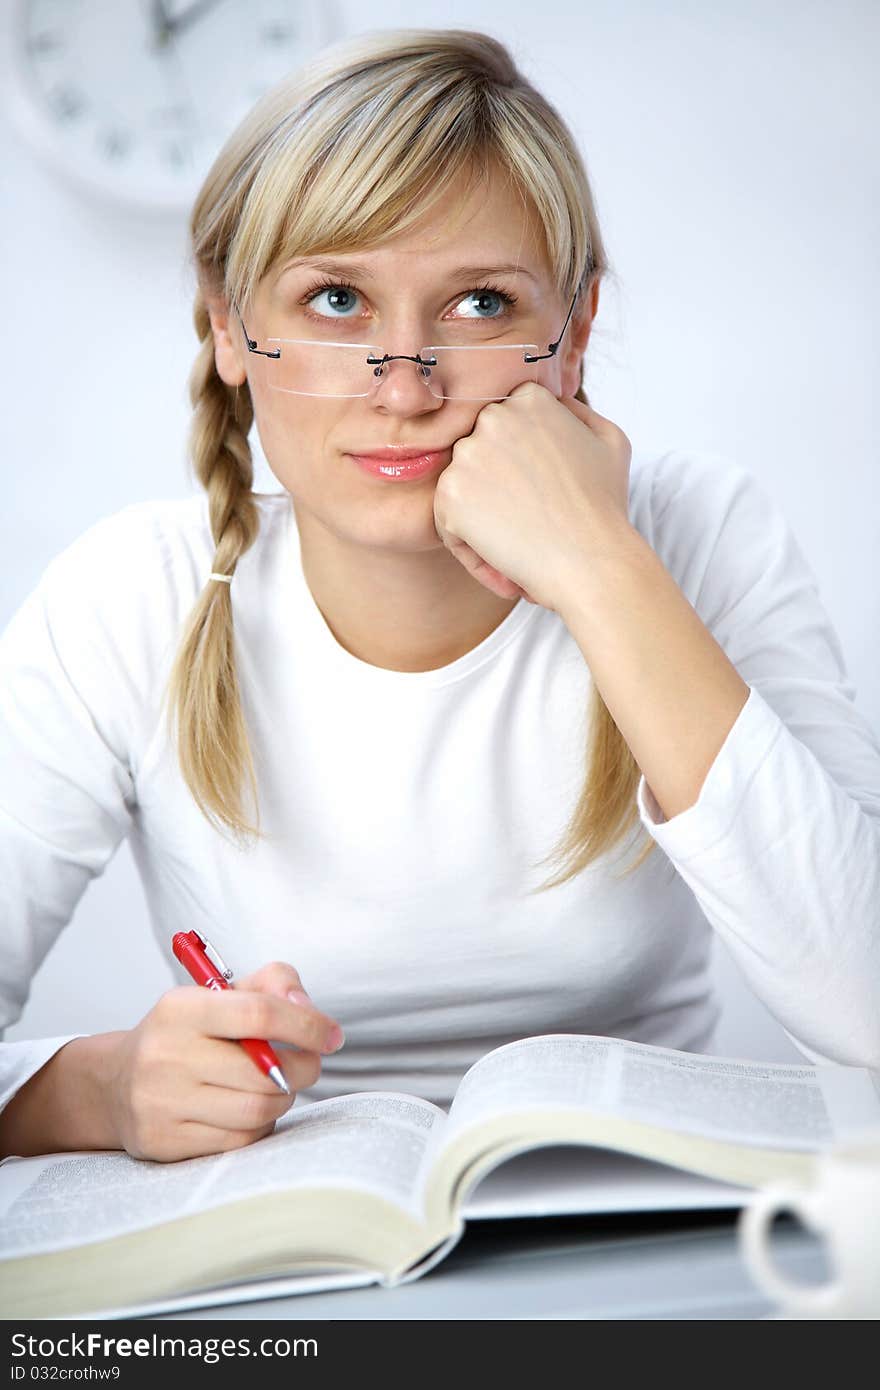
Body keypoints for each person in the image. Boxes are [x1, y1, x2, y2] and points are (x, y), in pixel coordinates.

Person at [1, 29, 878, 1166]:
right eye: (334, 299)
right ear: (229, 325)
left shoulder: (698, 536)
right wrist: (98, 1090)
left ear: (573, 335)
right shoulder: (127, 598)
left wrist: (600, 566)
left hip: (645, 1230)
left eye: (477, 306)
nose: (407, 384)